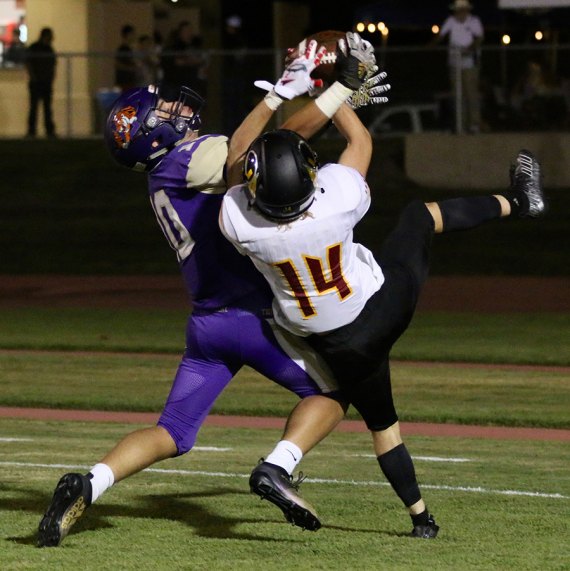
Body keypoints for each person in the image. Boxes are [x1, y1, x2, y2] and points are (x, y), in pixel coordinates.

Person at [36, 35, 386, 547]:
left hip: (206, 324)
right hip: (252, 315)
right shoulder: (186, 161)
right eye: (164, 109)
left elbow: (263, 149)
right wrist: (321, 94)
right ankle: (277, 466)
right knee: (333, 393)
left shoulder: (161, 181)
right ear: (152, 135)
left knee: (173, 431)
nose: (176, 107)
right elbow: (267, 151)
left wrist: (323, 94)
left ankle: (89, 481)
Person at [220, 50, 546, 538]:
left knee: (382, 425)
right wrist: (337, 90)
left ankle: (420, 520)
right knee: (419, 217)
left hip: (328, 338)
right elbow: (359, 139)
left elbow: (236, 160)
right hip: (378, 307)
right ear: (310, 182)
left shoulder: (240, 222)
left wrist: (280, 95)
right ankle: (520, 201)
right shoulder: (335, 200)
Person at [435, 0, 484, 133]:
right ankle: (460, 125)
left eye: (463, 9)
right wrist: (430, 45)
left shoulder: (474, 21)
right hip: (455, 64)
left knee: (471, 93)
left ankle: (474, 124)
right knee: (457, 95)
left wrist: (469, 49)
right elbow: (440, 36)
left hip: (470, 63)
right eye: (459, 9)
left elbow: (479, 38)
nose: (461, 12)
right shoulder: (450, 21)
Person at [161, 21, 207, 98]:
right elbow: (176, 62)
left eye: (190, 30)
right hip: (175, 84)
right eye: (186, 31)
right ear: (180, 32)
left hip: (191, 84)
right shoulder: (174, 46)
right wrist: (190, 61)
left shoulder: (195, 46)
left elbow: (201, 60)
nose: (188, 33)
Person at [25, 27, 57, 138]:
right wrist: (34, 77)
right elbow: (28, 63)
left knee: (45, 108)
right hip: (37, 82)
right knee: (36, 107)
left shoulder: (45, 49)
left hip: (44, 82)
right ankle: (34, 130)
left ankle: (44, 131)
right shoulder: (40, 49)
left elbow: (52, 65)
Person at [115, 24, 139, 92]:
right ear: (128, 34)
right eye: (133, 34)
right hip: (124, 82)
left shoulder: (129, 49)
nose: (134, 36)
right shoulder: (123, 49)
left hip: (129, 82)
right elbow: (118, 64)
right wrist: (131, 68)